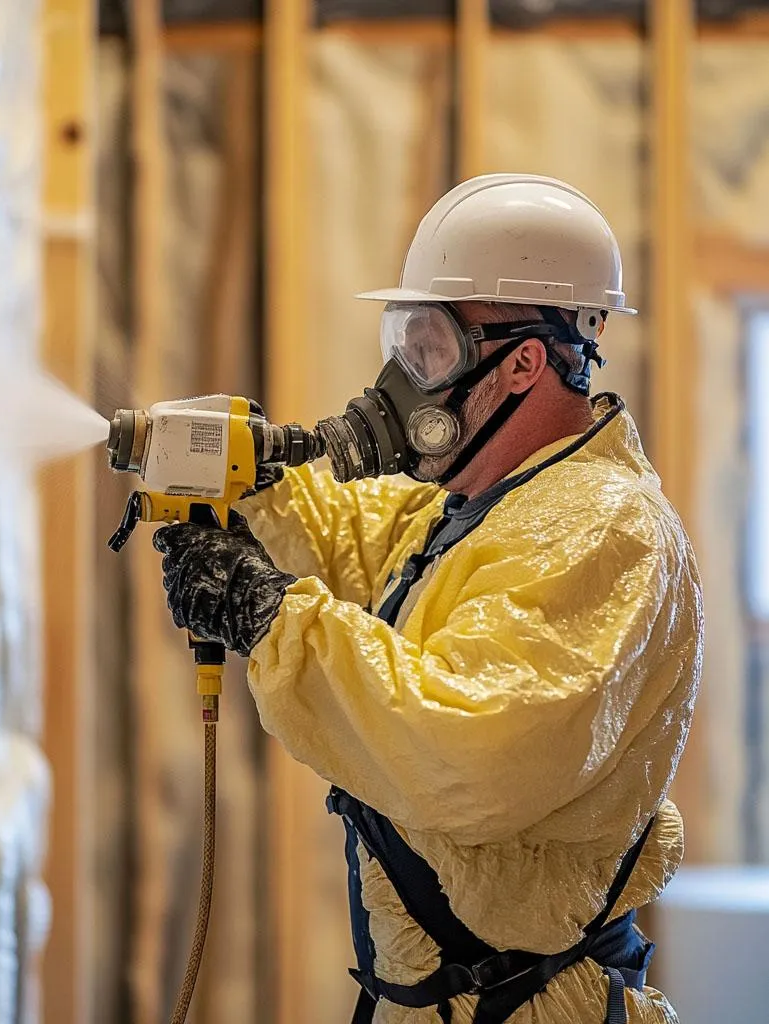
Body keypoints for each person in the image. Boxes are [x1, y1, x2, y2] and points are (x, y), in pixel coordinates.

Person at [153, 174, 703, 1024]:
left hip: (521, 1007)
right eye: (404, 344)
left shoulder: (600, 527)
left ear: (522, 362)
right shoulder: (481, 504)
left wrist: (264, 614)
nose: (403, 381)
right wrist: (254, 477)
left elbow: (467, 747)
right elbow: (355, 547)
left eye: (432, 350)